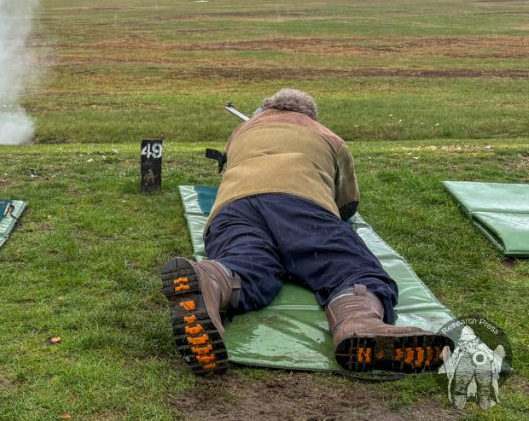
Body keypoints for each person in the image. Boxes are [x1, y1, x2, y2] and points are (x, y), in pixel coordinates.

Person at [161, 88, 450, 376]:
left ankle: (211, 281)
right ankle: (359, 322)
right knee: (350, 268)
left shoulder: (241, 132)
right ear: (310, 114)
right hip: (301, 205)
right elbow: (348, 202)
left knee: (247, 263)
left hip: (232, 210)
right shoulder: (329, 137)